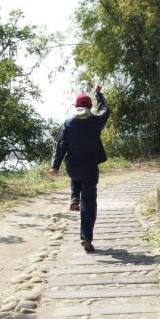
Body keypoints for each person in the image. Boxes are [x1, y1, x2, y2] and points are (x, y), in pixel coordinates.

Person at [50, 84, 110, 252]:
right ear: (90, 106)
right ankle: (86, 238)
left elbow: (61, 146)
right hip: (90, 170)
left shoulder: (68, 123)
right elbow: (105, 110)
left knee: (75, 175)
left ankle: (74, 197)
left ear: (76, 106)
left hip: (73, 168)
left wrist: (55, 166)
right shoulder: (96, 121)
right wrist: (99, 95)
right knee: (89, 203)